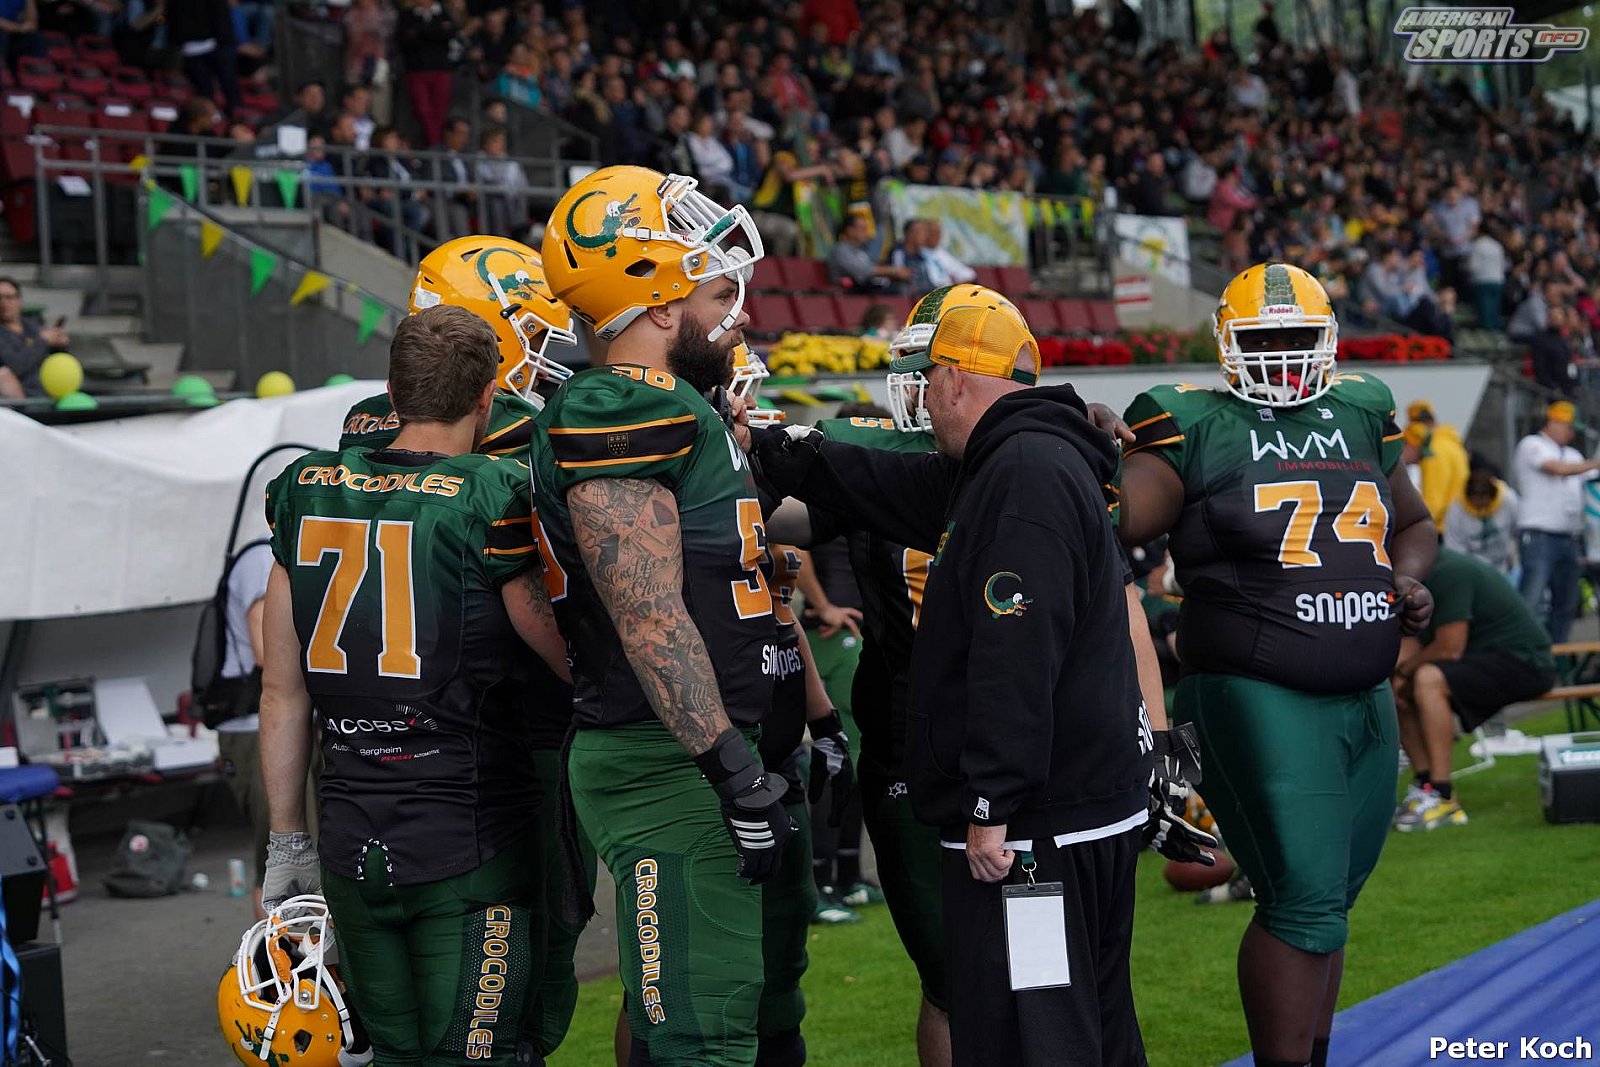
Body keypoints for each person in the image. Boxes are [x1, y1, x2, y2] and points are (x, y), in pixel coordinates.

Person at [751, 284, 1212, 1066]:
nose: (922, 400)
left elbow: (1015, 652)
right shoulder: (1022, 454)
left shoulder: (1021, 470)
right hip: (1075, 800)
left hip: (1041, 818)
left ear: (956, 378)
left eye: (928, 380)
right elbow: (881, 482)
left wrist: (993, 798)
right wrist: (769, 443)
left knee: (1037, 1024)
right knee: (1089, 1018)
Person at [1118, 262, 1437, 1067]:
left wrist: (1407, 578)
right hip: (1258, 690)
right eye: (1265, 339)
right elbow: (1116, 520)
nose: (1284, 353)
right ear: (1228, 343)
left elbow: (1414, 523)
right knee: (1301, 900)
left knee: (1329, 901)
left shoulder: (1360, 411)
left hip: (1365, 691)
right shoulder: (1191, 421)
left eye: (1297, 335)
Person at [532, 166, 795, 1067]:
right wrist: (731, 769)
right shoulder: (622, 402)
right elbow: (646, 614)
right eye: (720, 294)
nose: (739, 317)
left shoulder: (676, 405)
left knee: (686, 1026)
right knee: (704, 1036)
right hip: (666, 754)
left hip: (683, 747)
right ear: (655, 299)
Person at [258, 305, 570, 1064]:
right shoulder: (493, 492)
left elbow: (282, 689)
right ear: (487, 397)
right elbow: (569, 659)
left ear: (392, 394)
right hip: (470, 833)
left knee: (392, 1058)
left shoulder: (304, 489)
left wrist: (287, 837)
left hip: (349, 834)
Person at [337, 236, 590, 1058]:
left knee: (406, 1016)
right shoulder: (511, 443)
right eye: (531, 332)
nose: (542, 357)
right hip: (505, 739)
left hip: (373, 750)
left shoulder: (358, 435)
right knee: (520, 984)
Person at [1391, 548, 1555, 832]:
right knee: (1396, 688)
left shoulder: (1448, 571)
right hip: (1484, 659)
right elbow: (1410, 645)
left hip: (1526, 662)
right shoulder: (1410, 578)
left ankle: (1443, 796)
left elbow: (1449, 647)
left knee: (1427, 678)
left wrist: (1404, 673)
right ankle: (1426, 786)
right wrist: (1396, 679)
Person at [211, 540, 275, 922]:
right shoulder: (262, 557)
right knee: (281, 855)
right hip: (258, 726)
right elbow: (268, 651)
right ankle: (276, 956)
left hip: (266, 723)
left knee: (296, 852)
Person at [1513, 400, 1600, 643]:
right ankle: (1521, 651)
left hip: (1569, 537)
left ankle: (1556, 654)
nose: (1571, 433)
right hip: (1539, 535)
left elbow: (1591, 481)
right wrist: (1595, 463)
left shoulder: (1574, 455)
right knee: (1532, 598)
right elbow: (1556, 469)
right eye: (1568, 427)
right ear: (1553, 422)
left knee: (1566, 603)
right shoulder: (1532, 445)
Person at [1443, 459, 1520, 577]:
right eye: (1476, 499)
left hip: (1502, 567)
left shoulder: (1509, 500)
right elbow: (1453, 547)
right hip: (1470, 569)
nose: (1480, 504)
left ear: (1492, 496)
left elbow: (1517, 531)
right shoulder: (1456, 509)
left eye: (1483, 498)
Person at [0, 276, 69, 399]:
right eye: (0, 298)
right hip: (21, 399)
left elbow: (55, 359)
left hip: (50, 390)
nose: (4, 302)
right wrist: (42, 341)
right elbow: (14, 365)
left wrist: (60, 344)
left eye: (9, 297)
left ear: (19, 300)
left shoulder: (33, 326)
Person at [1405, 400, 1469, 525]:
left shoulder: (1435, 451)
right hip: (1456, 524)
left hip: (1441, 527)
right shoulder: (1451, 443)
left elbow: (1432, 502)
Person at [828, 213, 912, 293]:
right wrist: (892, 271)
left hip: (867, 289)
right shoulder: (840, 250)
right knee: (900, 290)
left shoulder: (860, 251)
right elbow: (862, 271)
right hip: (850, 293)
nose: (866, 233)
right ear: (850, 230)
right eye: (862, 229)